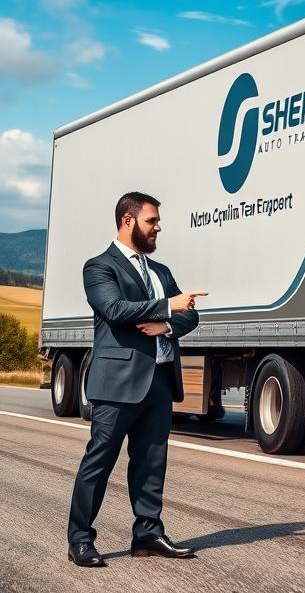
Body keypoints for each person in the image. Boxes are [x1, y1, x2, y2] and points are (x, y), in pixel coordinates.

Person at [66, 191, 207, 567]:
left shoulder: (160, 271)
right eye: (151, 220)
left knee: (151, 462)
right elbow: (114, 309)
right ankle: (79, 539)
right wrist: (168, 306)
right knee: (98, 462)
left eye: (157, 221)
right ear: (128, 221)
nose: (157, 227)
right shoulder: (98, 267)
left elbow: (191, 315)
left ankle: (147, 532)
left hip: (159, 381)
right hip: (116, 384)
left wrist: (167, 324)